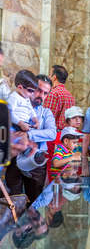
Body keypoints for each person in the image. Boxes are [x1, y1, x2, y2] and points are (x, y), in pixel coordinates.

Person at [5, 74, 56, 204]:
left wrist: (28, 135)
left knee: (35, 204)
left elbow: (52, 133)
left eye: (45, 93)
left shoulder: (46, 113)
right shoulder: (15, 104)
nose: (41, 95)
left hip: (36, 164)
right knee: (12, 201)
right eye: (39, 90)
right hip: (13, 159)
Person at [44, 65, 75, 131]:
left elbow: (46, 118)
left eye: (50, 75)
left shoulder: (53, 93)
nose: (49, 77)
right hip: (66, 134)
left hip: (54, 134)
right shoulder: (70, 95)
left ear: (54, 77)